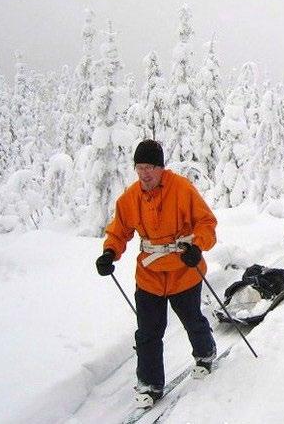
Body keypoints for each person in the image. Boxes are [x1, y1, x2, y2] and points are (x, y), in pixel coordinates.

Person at [95, 140, 217, 409]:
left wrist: (197, 246)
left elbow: (206, 222)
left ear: (161, 168)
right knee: (148, 332)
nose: (145, 173)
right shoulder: (130, 197)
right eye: (140, 168)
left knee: (192, 320)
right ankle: (150, 384)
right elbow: (118, 231)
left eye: (150, 167)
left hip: (183, 271)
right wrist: (109, 253)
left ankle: (206, 353)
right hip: (149, 275)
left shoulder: (182, 188)